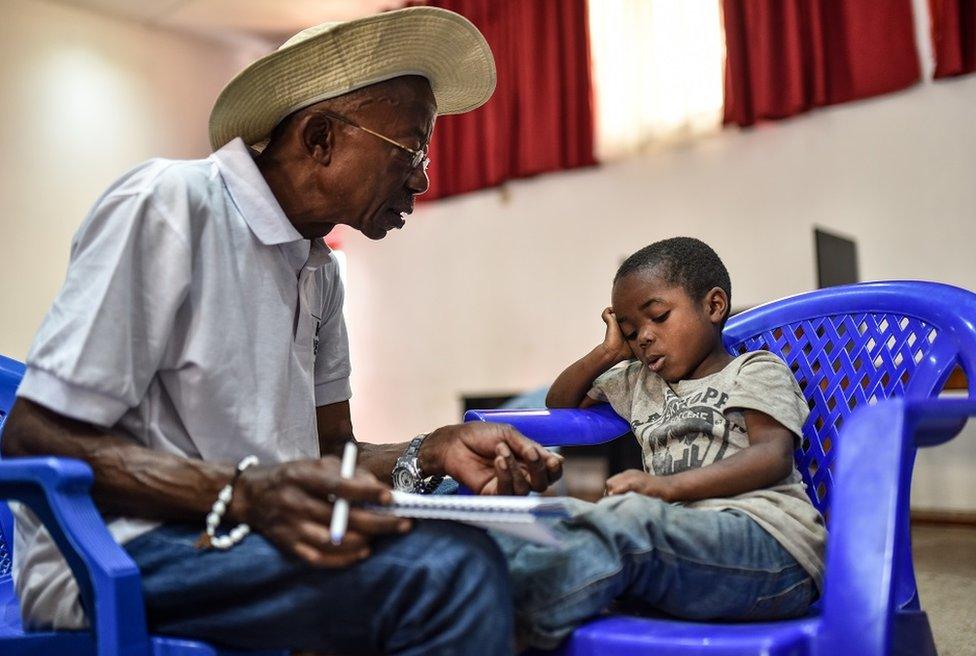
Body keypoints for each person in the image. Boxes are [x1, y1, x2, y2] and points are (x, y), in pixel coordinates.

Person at [1, 8, 561, 655]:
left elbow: (328, 458)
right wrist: (244, 494)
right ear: (320, 138)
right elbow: (32, 435)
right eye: (410, 147)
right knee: (445, 576)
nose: (423, 177)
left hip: (239, 536)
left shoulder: (318, 269)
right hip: (115, 552)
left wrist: (433, 449)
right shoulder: (169, 207)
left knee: (486, 553)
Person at [493, 237, 826, 650]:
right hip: (674, 551)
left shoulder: (753, 370)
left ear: (714, 306)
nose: (644, 339)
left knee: (630, 520)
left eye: (659, 317)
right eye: (632, 333)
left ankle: (498, 631)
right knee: (552, 519)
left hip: (771, 550)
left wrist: (666, 488)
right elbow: (560, 403)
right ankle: (492, 600)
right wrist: (608, 352)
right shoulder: (639, 382)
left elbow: (771, 456)